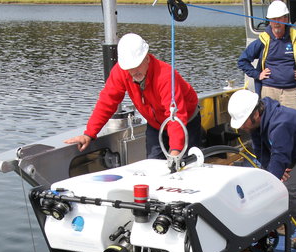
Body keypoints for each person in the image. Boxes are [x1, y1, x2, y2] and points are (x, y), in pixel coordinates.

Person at [228, 89, 296, 249]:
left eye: (243, 121)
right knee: (272, 180)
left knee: (288, 189)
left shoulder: (280, 123)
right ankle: (279, 220)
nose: (242, 126)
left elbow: (279, 157)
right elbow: (261, 151)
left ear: (256, 114)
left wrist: (275, 174)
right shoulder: (256, 123)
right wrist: (272, 171)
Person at [65, 33, 201, 160]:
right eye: (129, 67)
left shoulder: (165, 76)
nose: (134, 71)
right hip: (155, 124)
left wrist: (176, 152)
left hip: (185, 122)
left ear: (147, 58)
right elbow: (107, 102)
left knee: (186, 165)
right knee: (154, 163)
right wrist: (89, 133)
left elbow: (176, 117)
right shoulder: (121, 72)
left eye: (137, 65)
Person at [237, 0, 296, 113]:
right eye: (273, 19)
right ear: (269, 21)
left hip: (291, 91)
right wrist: (257, 75)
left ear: (286, 19)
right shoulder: (263, 40)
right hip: (268, 91)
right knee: (269, 125)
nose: (276, 22)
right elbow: (242, 61)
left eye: (280, 18)